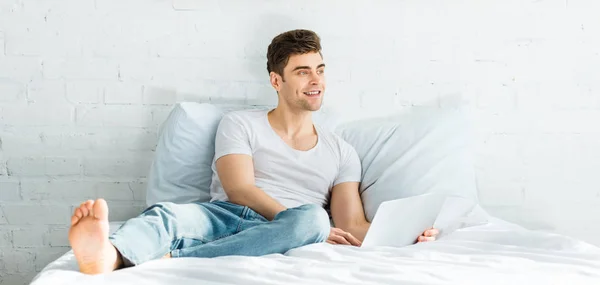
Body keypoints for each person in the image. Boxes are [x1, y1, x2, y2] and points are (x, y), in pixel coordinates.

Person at [68, 29, 439, 275]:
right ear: (276, 81)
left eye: (320, 70)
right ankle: (106, 256)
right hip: (224, 215)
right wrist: (290, 220)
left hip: (294, 228)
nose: (316, 81)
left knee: (314, 220)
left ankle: (175, 262)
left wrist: (407, 233)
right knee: (167, 216)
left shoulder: (342, 152)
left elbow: (351, 225)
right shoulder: (240, 123)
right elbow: (239, 189)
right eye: (303, 72)